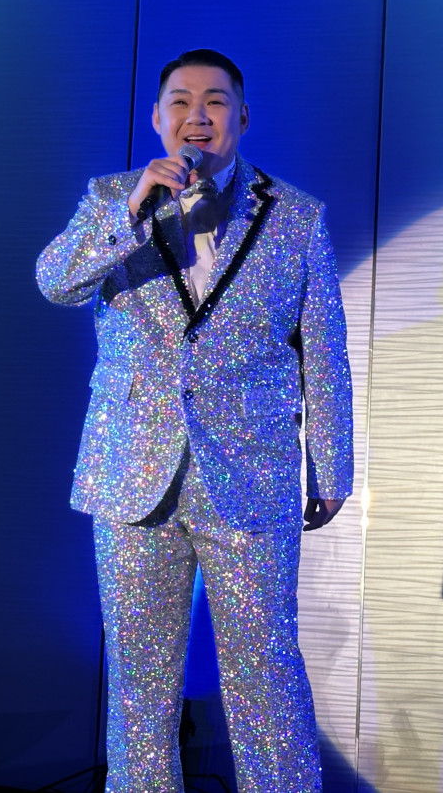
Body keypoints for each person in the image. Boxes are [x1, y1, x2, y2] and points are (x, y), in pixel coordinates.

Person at [36, 49, 353, 793]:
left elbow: (324, 352)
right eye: (180, 101)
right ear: (157, 118)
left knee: (266, 673)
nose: (197, 116)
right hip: (131, 472)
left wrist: (332, 467)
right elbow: (55, 281)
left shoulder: (296, 217)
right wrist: (130, 211)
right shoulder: (111, 198)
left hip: (250, 472)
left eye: (214, 101)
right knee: (138, 683)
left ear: (242, 115)